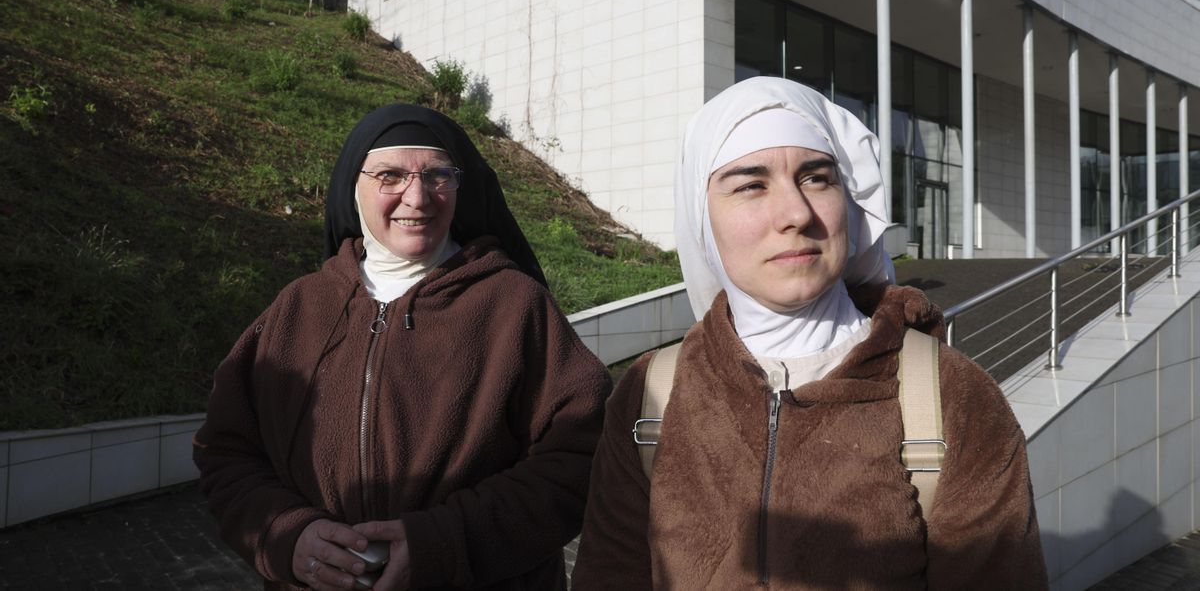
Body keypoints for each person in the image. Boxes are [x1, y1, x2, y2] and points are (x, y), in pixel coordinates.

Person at [571, 77, 1047, 589]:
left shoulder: (953, 395)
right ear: (701, 219)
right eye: (751, 185)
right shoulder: (650, 396)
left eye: (817, 178)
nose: (796, 214)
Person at [194, 104, 612, 591]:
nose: (417, 197)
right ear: (353, 188)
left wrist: (445, 543)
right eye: (389, 176)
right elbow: (227, 453)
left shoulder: (514, 306)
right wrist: (285, 535)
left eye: (437, 175)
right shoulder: (298, 309)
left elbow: (581, 456)